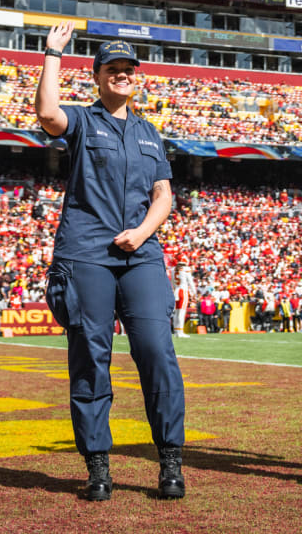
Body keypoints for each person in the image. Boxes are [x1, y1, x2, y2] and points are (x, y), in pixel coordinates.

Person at [35, 24, 186, 502]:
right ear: (97, 76)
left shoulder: (149, 132)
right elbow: (46, 113)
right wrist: (53, 55)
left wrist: (142, 232)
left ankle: (170, 462)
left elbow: (164, 195)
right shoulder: (82, 120)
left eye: (128, 70)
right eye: (112, 69)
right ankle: (98, 466)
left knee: (158, 354)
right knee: (91, 359)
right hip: (87, 254)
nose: (122, 75)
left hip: (141, 255)